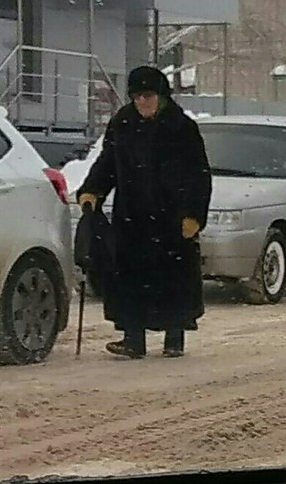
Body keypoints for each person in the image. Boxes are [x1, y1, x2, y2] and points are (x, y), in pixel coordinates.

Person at [77, 65, 212, 358]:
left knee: (172, 278)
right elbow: (108, 162)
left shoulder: (182, 128)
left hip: (171, 218)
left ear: (161, 96)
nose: (141, 102)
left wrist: (193, 215)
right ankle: (132, 339)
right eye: (136, 96)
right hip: (133, 215)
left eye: (147, 95)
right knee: (130, 277)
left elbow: (199, 175)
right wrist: (93, 189)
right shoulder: (123, 124)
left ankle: (174, 337)